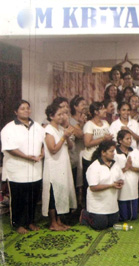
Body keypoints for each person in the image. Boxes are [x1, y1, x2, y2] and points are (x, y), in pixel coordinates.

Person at [1, 100, 45, 234]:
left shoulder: (37, 126)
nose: (26, 110)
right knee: (18, 199)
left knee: (33, 197)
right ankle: (18, 224)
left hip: (35, 169)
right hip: (17, 170)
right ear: (16, 112)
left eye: (27, 108)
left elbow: (43, 144)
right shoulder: (9, 128)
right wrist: (27, 157)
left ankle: (30, 222)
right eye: (22, 109)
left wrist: (41, 154)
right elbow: (10, 149)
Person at [42, 103, 77, 231]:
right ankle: (52, 222)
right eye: (59, 114)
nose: (62, 117)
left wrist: (66, 136)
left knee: (61, 192)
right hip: (54, 167)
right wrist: (64, 136)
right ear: (51, 116)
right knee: (53, 194)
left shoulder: (61, 129)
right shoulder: (48, 130)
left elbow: (71, 146)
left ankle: (59, 220)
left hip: (63, 165)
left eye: (63, 114)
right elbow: (53, 149)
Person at [80, 140, 124, 230]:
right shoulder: (94, 167)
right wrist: (111, 185)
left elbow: (121, 177)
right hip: (98, 205)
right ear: (103, 152)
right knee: (100, 225)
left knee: (112, 224)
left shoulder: (115, 164)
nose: (113, 154)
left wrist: (120, 182)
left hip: (111, 205)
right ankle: (85, 214)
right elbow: (93, 187)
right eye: (111, 151)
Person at [82, 102, 113, 206]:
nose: (105, 111)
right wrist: (104, 138)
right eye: (102, 109)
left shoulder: (106, 123)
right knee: (91, 183)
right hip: (90, 158)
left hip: (102, 158)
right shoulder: (89, 125)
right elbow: (87, 143)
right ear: (96, 112)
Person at [114, 130, 139, 221]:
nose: (130, 141)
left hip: (133, 190)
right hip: (121, 190)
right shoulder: (114, 153)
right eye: (127, 139)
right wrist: (125, 168)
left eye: (130, 139)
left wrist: (132, 168)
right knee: (123, 218)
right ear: (120, 140)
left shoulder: (136, 152)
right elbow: (111, 173)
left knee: (133, 217)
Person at [69, 95, 87, 206]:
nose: (85, 107)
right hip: (75, 152)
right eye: (82, 105)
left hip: (84, 150)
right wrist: (81, 123)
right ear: (75, 107)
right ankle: (76, 204)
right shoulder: (71, 120)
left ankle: (81, 203)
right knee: (77, 178)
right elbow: (80, 135)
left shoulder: (87, 118)